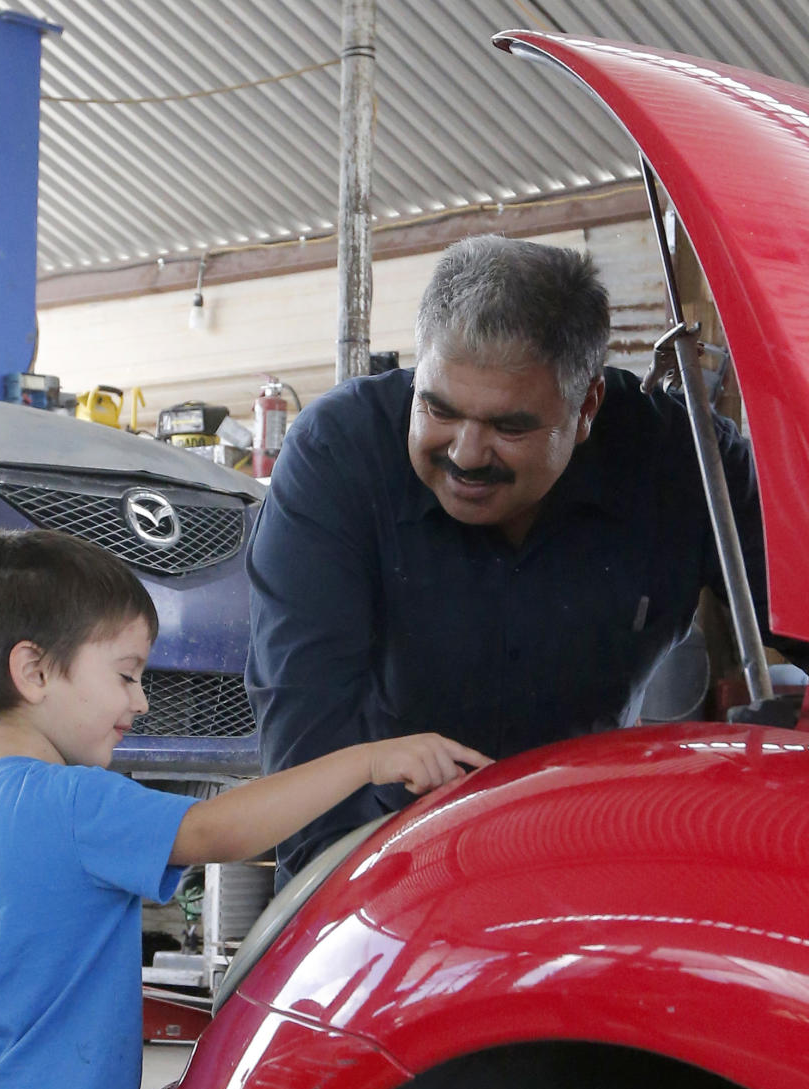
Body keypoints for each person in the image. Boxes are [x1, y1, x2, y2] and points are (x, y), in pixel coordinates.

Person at [0, 529, 487, 1089]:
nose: (141, 702)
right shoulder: (73, 801)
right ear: (34, 672)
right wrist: (367, 762)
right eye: (125, 675)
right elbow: (215, 830)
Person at [246, 233, 809, 888]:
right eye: (438, 409)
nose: (466, 453)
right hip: (385, 873)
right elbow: (306, 749)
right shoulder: (339, 458)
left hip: (593, 869)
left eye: (509, 427)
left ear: (587, 404)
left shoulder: (689, 466)